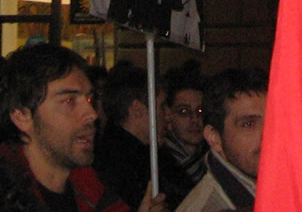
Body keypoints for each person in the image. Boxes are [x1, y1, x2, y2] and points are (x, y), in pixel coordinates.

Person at [0, 43, 165, 212]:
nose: (92, 114)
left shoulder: (94, 192)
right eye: (69, 101)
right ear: (22, 116)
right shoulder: (9, 197)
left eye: (89, 99)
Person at [95, 64, 189, 210]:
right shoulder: (116, 166)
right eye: (162, 106)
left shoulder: (152, 155)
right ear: (137, 109)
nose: (168, 115)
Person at [176, 68, 268, 212]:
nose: (266, 135)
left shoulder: (264, 188)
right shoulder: (210, 206)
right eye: (248, 124)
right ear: (214, 138)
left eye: (274, 122)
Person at [163, 66, 209, 187]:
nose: (194, 120)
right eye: (184, 112)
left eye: (200, 111)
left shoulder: (212, 158)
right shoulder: (159, 165)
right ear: (168, 114)